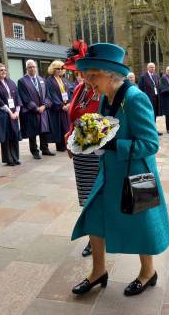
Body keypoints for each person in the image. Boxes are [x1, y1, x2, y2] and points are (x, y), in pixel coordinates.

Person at [71, 43, 169, 297]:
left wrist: (115, 144)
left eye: (93, 75)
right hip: (109, 172)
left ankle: (148, 273)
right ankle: (98, 272)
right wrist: (83, 140)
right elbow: (102, 129)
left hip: (137, 173)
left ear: (110, 73)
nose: (88, 80)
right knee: (93, 215)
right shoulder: (106, 96)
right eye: (87, 75)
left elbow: (151, 144)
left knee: (142, 224)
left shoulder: (135, 98)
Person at [63, 40, 100, 257]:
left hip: (96, 151)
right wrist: (69, 137)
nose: (79, 75)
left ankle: (96, 239)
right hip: (80, 153)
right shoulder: (79, 89)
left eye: (82, 71)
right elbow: (74, 119)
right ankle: (94, 237)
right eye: (77, 72)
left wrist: (76, 139)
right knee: (87, 198)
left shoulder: (100, 91)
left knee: (95, 199)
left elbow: (103, 122)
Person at [0, 63, 22, 166]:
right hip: (2, 114)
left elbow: (17, 97)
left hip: (13, 113)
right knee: (6, 136)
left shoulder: (10, 82)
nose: (4, 72)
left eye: (4, 70)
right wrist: (10, 112)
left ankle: (15, 157)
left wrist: (17, 111)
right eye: (1, 70)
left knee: (14, 135)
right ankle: (8, 159)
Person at [18, 60, 54, 159]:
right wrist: (35, 108)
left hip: (43, 109)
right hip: (32, 111)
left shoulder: (41, 79)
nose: (32, 69)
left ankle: (45, 149)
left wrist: (44, 105)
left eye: (34, 67)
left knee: (44, 130)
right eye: (30, 67)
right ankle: (34, 151)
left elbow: (47, 95)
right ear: (26, 69)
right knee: (32, 132)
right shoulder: (22, 81)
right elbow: (24, 97)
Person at [46, 60, 71, 152]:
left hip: (66, 106)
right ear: (53, 69)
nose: (60, 70)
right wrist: (61, 105)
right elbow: (52, 94)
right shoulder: (49, 80)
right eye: (57, 69)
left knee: (66, 126)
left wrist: (69, 103)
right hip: (57, 108)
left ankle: (66, 144)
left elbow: (68, 92)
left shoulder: (63, 80)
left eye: (61, 69)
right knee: (59, 127)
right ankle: (60, 146)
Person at [138, 62, 162, 135]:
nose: (153, 68)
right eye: (151, 67)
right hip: (148, 99)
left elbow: (158, 87)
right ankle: (148, 130)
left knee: (154, 115)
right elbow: (140, 88)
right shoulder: (143, 76)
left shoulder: (156, 76)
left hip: (156, 98)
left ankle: (154, 130)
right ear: (148, 68)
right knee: (148, 115)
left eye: (154, 67)